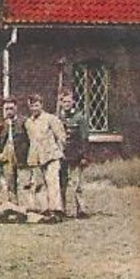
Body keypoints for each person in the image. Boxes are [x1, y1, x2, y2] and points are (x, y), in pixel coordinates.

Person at [23, 93, 67, 217]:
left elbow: (61, 136)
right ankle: (44, 208)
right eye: (32, 106)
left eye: (37, 105)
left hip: (51, 155)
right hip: (36, 156)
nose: (34, 109)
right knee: (39, 184)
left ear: (41, 105)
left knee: (52, 182)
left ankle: (56, 209)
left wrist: (59, 151)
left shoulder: (50, 119)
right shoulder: (28, 122)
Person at [57, 90, 89, 219]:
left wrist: (84, 156)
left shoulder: (80, 118)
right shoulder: (58, 118)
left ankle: (81, 209)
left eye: (69, 101)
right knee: (62, 184)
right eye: (64, 101)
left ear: (74, 102)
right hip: (61, 155)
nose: (66, 104)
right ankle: (61, 209)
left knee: (77, 184)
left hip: (76, 155)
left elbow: (84, 138)